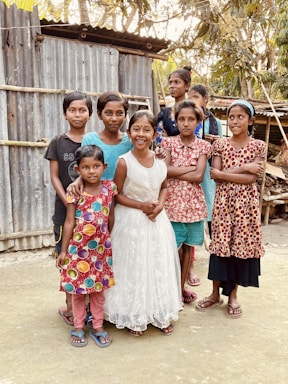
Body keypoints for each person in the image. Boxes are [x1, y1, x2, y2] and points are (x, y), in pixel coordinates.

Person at [104, 110, 182, 336]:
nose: (141, 134)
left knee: (158, 264)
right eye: (136, 129)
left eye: (146, 130)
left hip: (157, 222)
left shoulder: (159, 163)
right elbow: (115, 194)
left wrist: (160, 204)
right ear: (129, 133)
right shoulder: (123, 162)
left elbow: (165, 187)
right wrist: (141, 206)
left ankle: (161, 312)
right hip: (130, 222)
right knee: (133, 265)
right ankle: (132, 315)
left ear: (155, 134)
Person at [196, 99, 266, 318]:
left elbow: (250, 180)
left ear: (251, 120)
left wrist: (230, 174)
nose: (235, 121)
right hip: (224, 205)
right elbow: (215, 176)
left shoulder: (259, 146)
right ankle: (215, 293)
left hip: (246, 207)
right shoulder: (220, 145)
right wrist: (244, 167)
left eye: (240, 117)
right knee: (220, 246)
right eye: (232, 117)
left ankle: (233, 296)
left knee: (238, 247)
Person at [56, 145, 117, 347]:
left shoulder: (110, 188)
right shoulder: (75, 191)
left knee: (98, 290)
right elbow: (69, 221)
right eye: (86, 167)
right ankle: (79, 326)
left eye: (96, 166)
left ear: (104, 166)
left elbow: (110, 217)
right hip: (78, 251)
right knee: (79, 291)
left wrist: (108, 241)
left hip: (100, 251)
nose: (92, 171)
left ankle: (98, 325)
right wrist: (64, 251)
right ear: (78, 170)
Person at [44, 90, 93, 326]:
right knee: (67, 257)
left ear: (90, 114)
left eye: (82, 109)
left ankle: (87, 304)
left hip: (91, 214)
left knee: (89, 255)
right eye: (72, 109)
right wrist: (68, 201)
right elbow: (54, 177)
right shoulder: (57, 142)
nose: (77, 114)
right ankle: (70, 306)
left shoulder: (93, 141)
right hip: (65, 214)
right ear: (65, 113)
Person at [161, 100, 211, 304]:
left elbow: (199, 176)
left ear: (198, 122)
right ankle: (167, 291)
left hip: (193, 207)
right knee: (170, 250)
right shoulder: (168, 143)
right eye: (182, 119)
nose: (186, 123)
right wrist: (190, 168)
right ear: (176, 120)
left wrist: (176, 171)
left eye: (191, 119)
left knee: (187, 251)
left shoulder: (204, 146)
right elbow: (164, 171)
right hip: (171, 205)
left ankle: (179, 291)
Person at [157, 67, 199, 294]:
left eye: (176, 82)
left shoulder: (195, 110)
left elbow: (198, 144)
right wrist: (184, 167)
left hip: (190, 178)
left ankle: (188, 272)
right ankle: (169, 284)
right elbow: (160, 141)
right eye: (170, 82)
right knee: (171, 232)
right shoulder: (164, 113)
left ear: (187, 85)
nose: (172, 86)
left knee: (190, 228)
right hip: (171, 171)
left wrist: (188, 167)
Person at [187, 84, 223, 286]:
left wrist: (214, 142)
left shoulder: (214, 121)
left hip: (207, 173)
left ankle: (215, 255)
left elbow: (221, 147)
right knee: (190, 214)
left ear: (205, 100)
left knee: (210, 210)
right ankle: (190, 262)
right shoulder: (184, 116)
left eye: (195, 97)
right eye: (189, 97)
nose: (192, 101)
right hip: (188, 172)